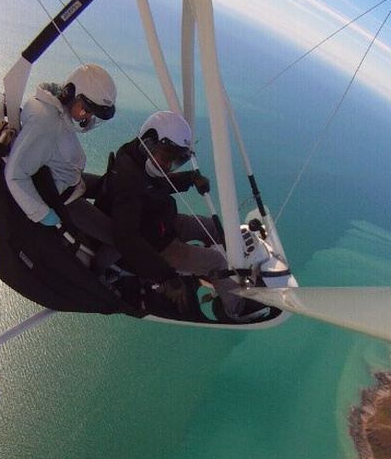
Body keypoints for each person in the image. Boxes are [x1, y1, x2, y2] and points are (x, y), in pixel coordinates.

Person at [96, 110, 268, 323]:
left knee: (212, 227)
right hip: (155, 244)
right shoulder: (129, 184)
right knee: (217, 262)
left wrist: (190, 178)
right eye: (166, 158)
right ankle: (235, 309)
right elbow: (127, 239)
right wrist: (167, 277)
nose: (168, 166)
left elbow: (156, 182)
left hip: (160, 222)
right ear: (149, 142)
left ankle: (230, 267)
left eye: (175, 161)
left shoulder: (139, 157)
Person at [4, 64, 118, 268]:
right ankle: (99, 274)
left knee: (111, 185)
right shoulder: (44, 121)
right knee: (120, 240)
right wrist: (42, 214)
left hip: (71, 181)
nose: (87, 117)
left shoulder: (55, 109)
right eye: (86, 110)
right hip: (67, 201)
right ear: (68, 94)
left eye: (92, 114)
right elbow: (15, 174)